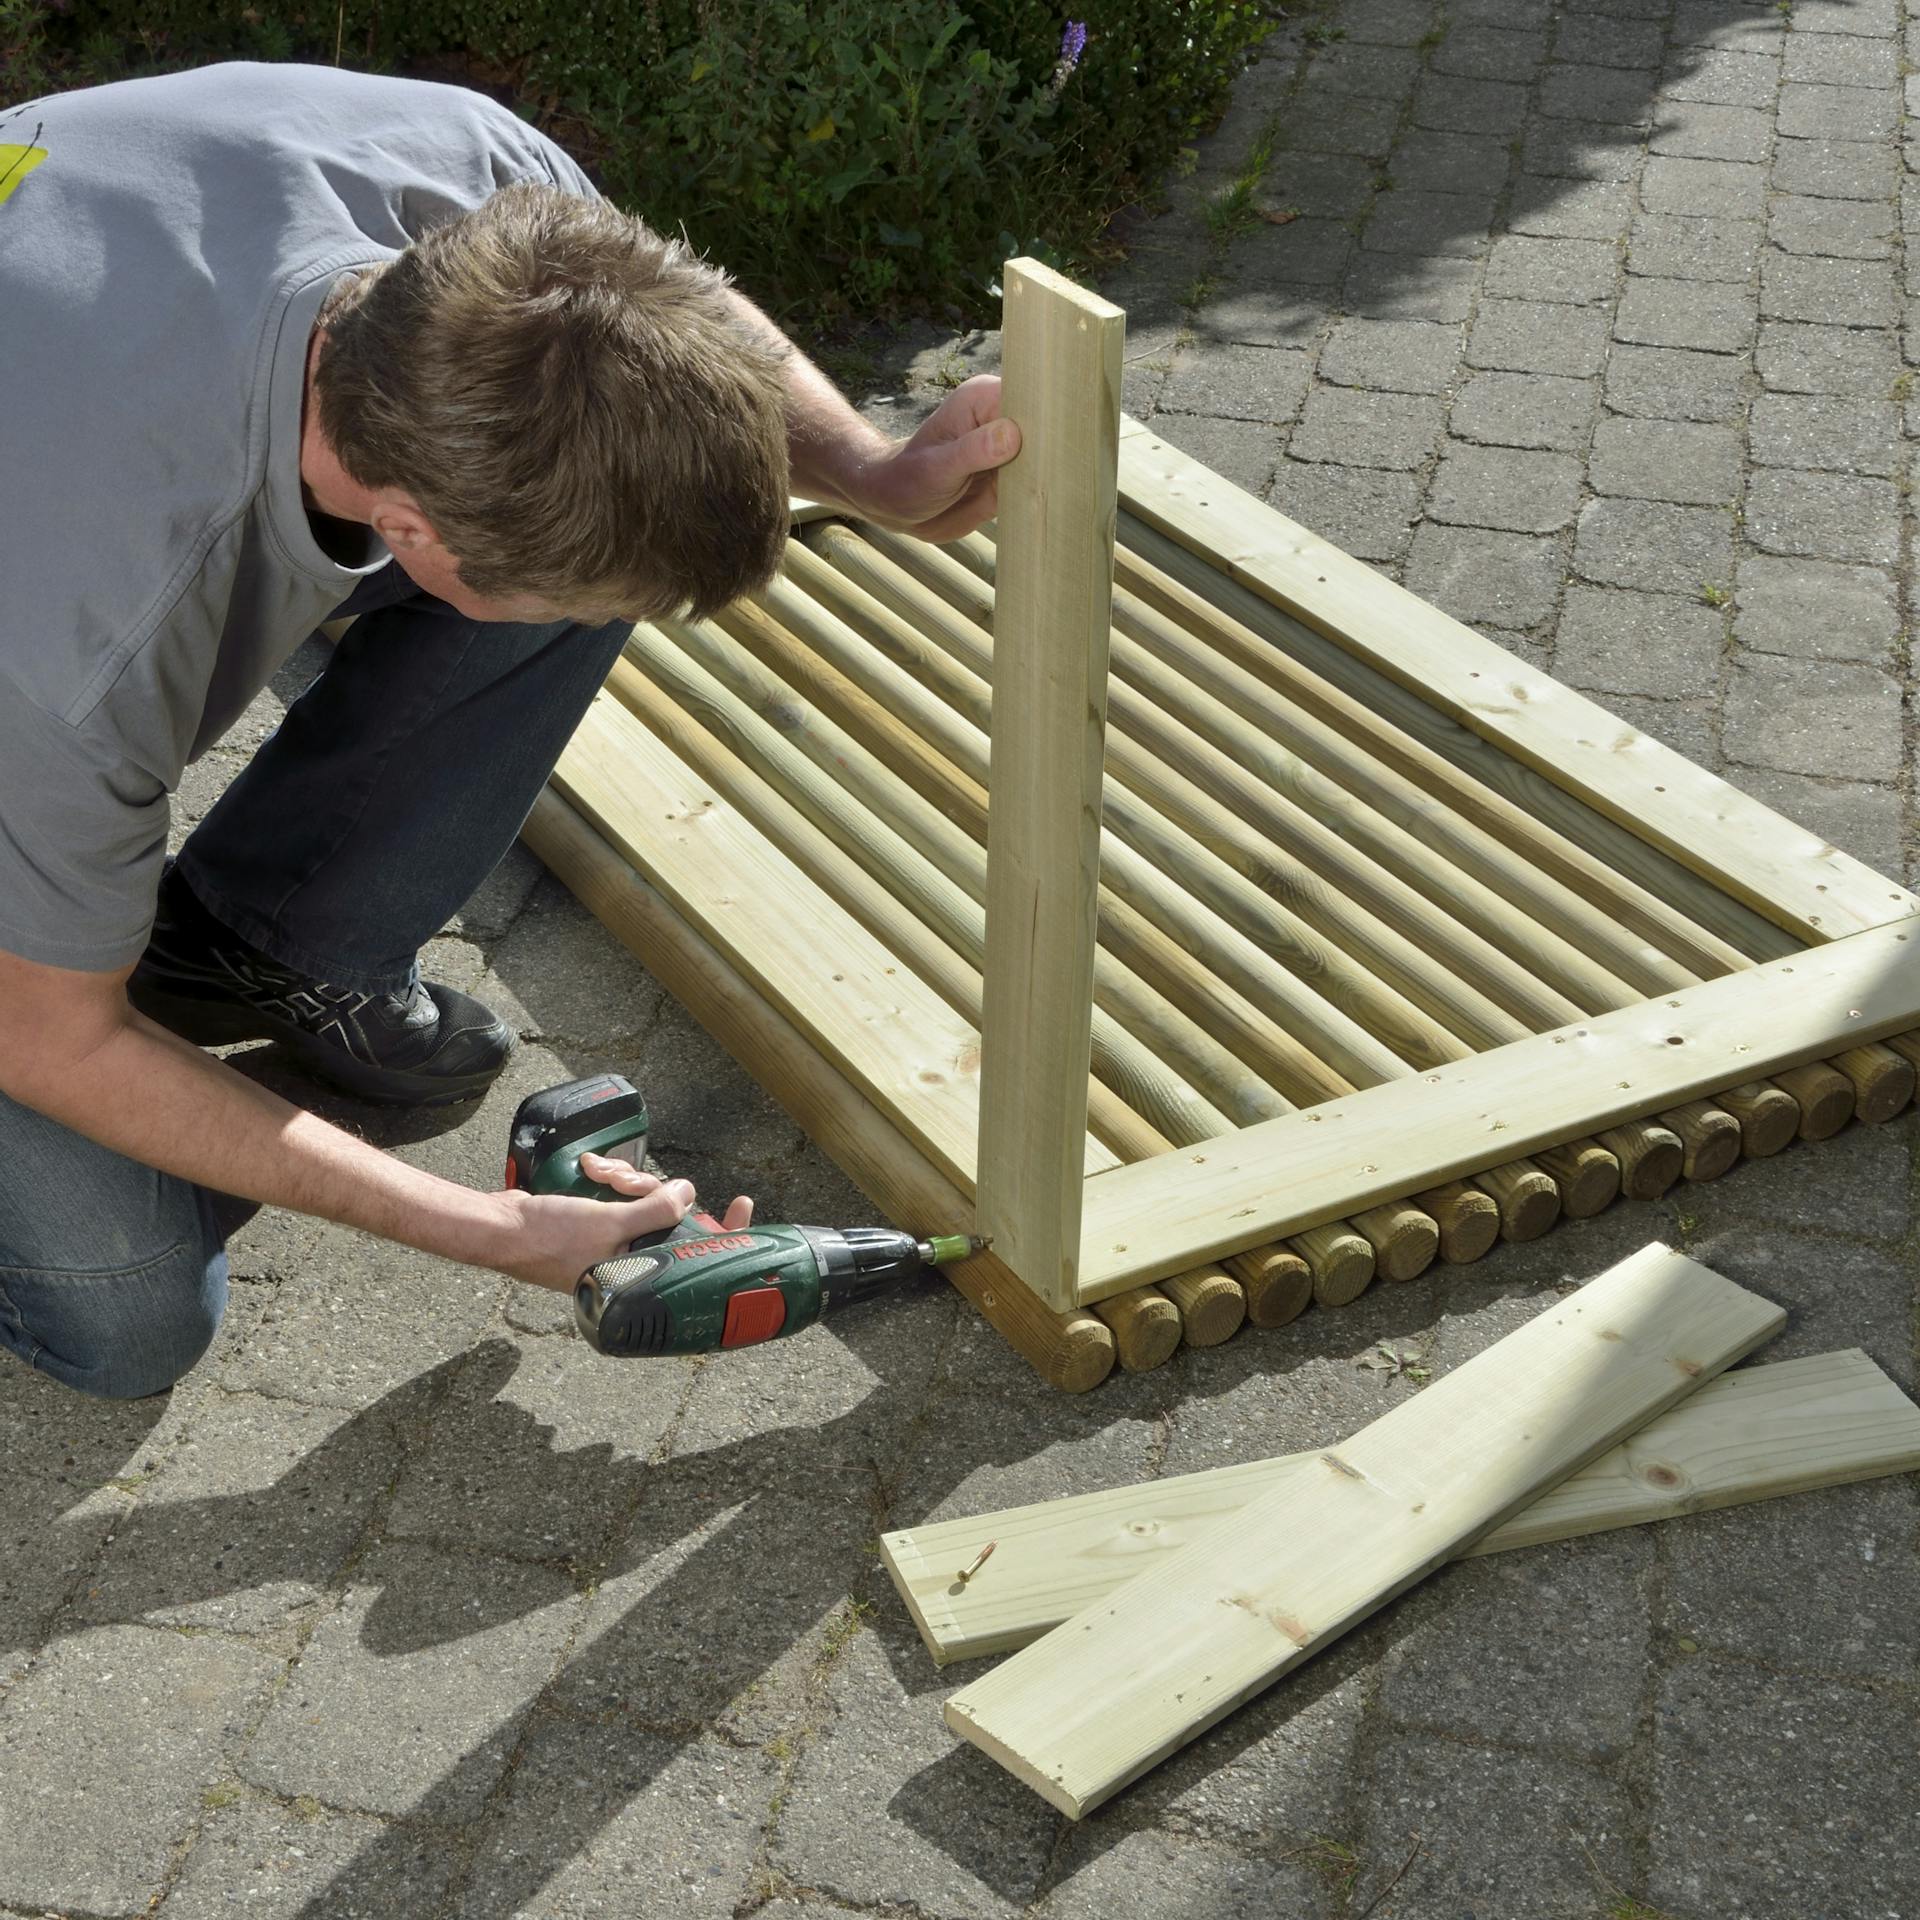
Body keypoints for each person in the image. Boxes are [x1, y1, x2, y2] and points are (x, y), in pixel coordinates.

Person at [0, 60, 1018, 1399]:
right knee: (129, 1319)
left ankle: (257, 942)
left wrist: (872, 471)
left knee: (600, 539)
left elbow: (675, 321)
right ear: (407, 530)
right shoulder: (81, 639)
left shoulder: (469, 188)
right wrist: (485, 1233)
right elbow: (48, 1037)